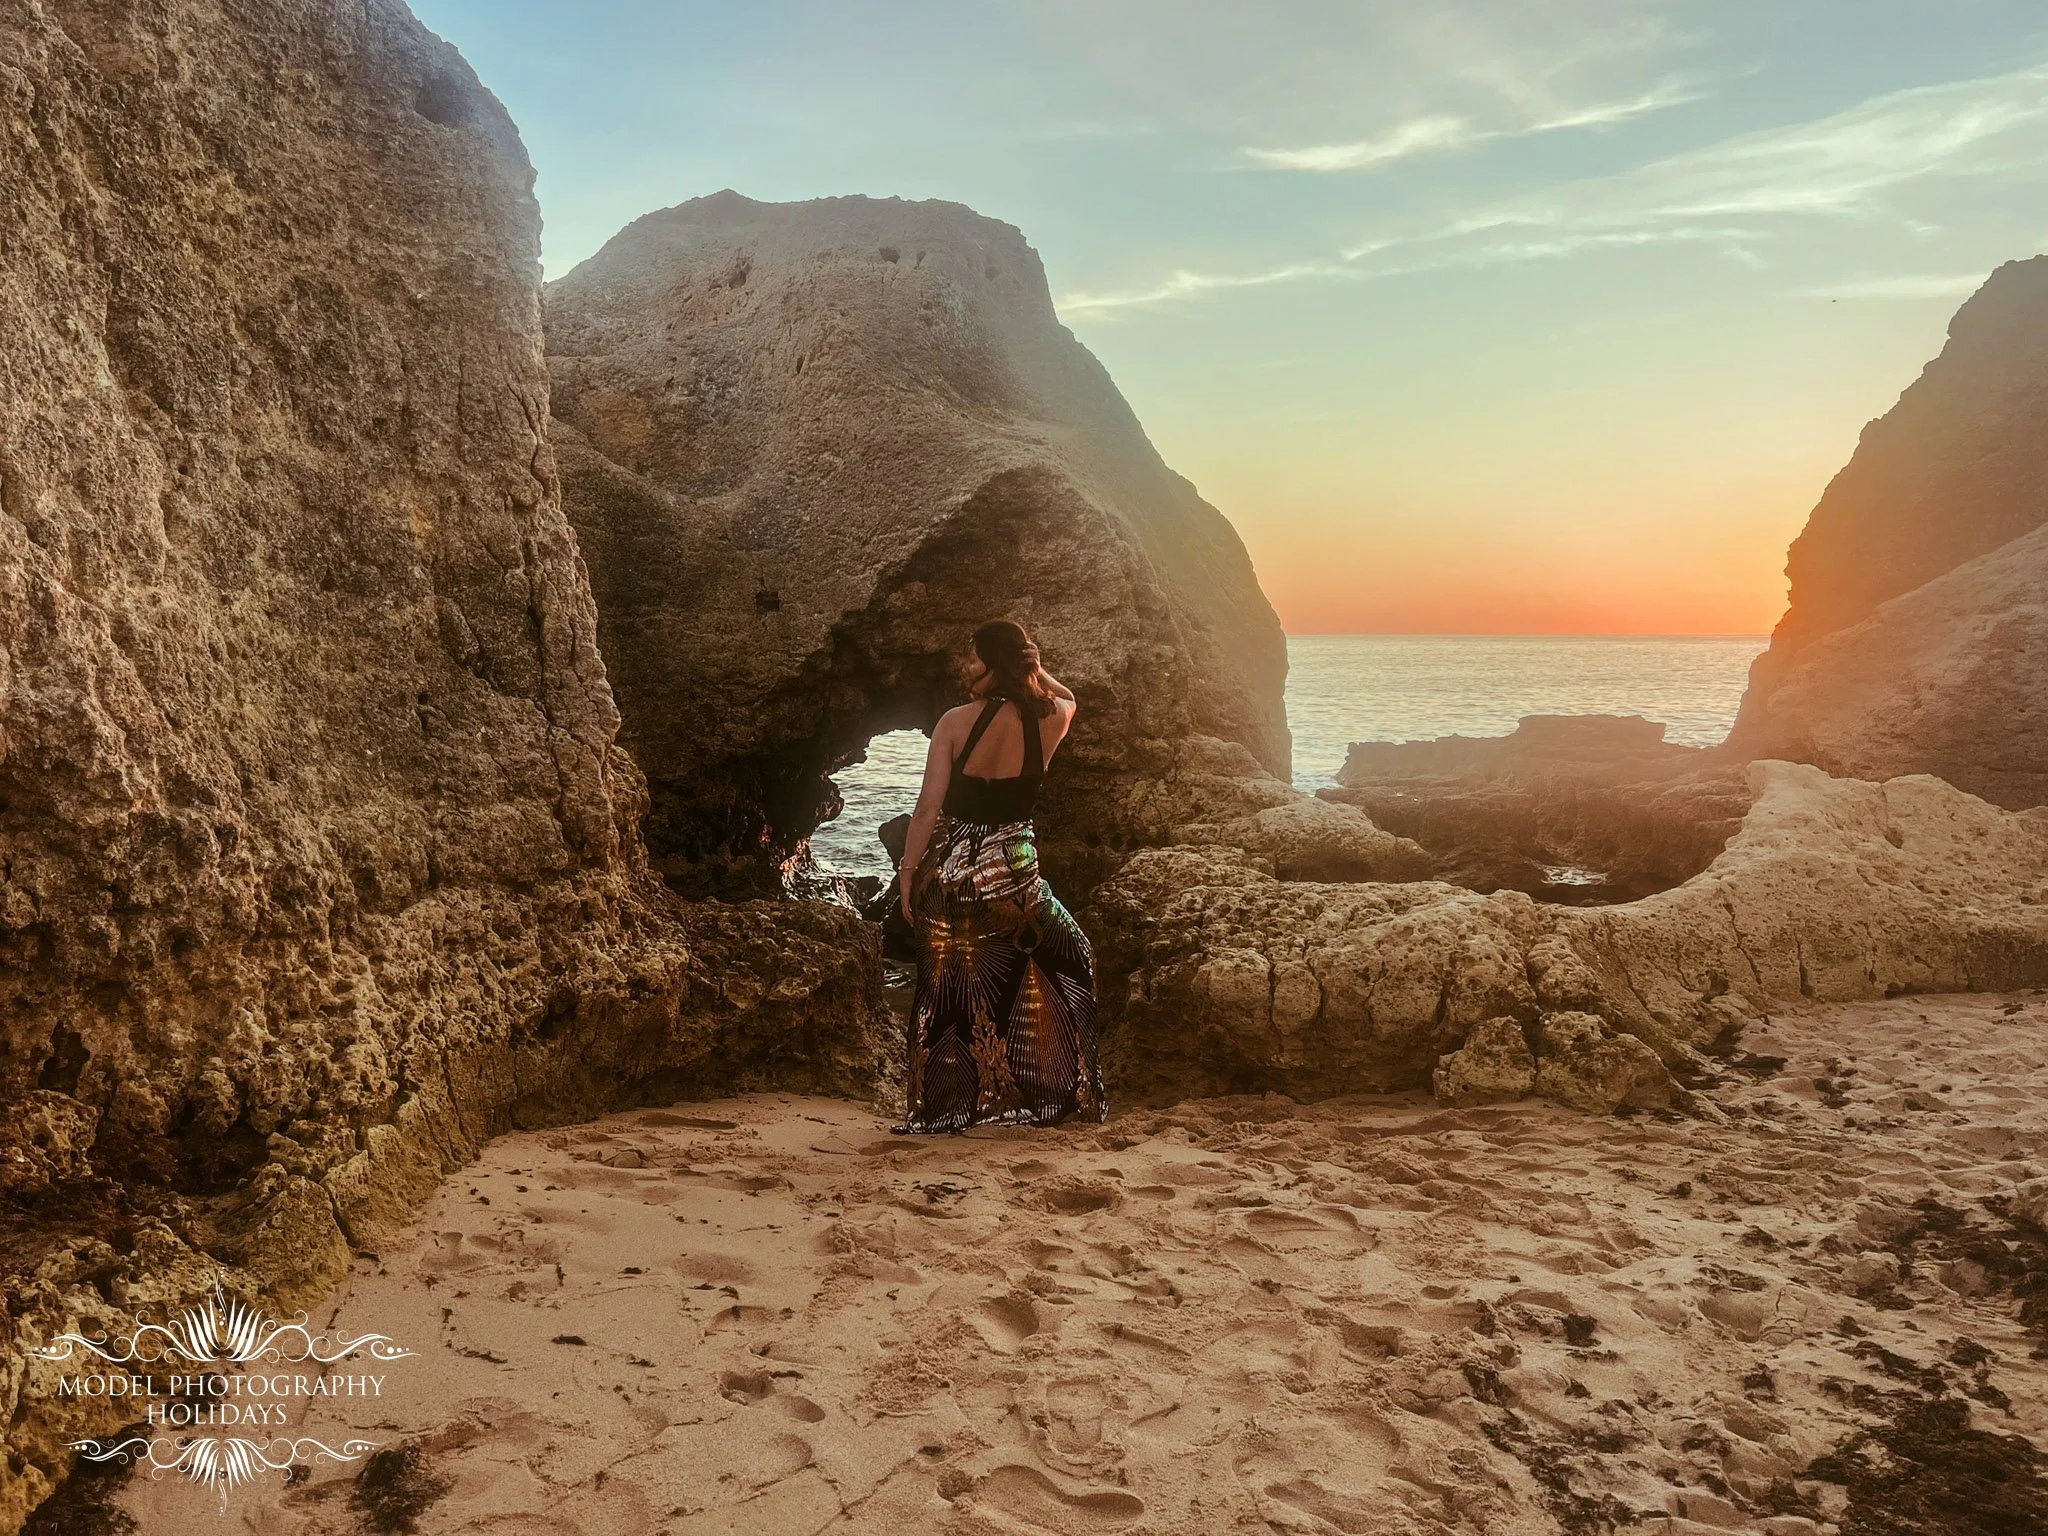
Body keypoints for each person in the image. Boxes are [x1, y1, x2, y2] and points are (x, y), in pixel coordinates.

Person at [895, 619, 1105, 1132]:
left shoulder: (955, 722)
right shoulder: (1053, 716)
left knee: (946, 992)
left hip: (953, 876)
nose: (966, 667)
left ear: (992, 665)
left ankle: (946, 1110)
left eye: (973, 658)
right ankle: (1050, 1095)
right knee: (1065, 963)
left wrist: (906, 873)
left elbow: (927, 810)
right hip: (1017, 874)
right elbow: (1069, 694)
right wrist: (1032, 669)